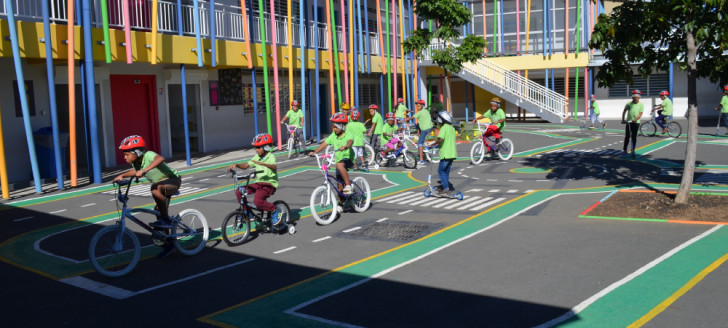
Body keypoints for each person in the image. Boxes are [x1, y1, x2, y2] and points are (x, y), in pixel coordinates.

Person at [114, 135, 182, 229]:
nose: (125, 157)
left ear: (137, 152)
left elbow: (160, 159)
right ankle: (166, 237)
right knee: (158, 210)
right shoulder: (136, 163)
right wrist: (122, 175)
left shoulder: (148, 155)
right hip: (160, 184)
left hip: (173, 180)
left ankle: (166, 220)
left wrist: (144, 170)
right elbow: (136, 171)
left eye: (127, 154)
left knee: (155, 188)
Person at [226, 133, 281, 225]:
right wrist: (237, 164)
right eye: (256, 148)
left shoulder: (270, 156)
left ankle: (275, 210)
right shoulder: (257, 157)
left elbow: (274, 167)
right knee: (239, 191)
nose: (256, 150)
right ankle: (248, 212)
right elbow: (246, 166)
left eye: (258, 147)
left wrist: (262, 164)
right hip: (259, 183)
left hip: (269, 184)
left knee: (257, 201)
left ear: (266, 147)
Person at [309, 113, 355, 196]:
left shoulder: (348, 134)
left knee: (339, 165)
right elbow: (324, 144)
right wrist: (315, 152)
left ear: (342, 127)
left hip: (348, 159)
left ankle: (348, 185)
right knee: (339, 186)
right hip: (339, 161)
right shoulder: (333, 135)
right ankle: (341, 204)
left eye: (336, 127)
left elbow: (350, 141)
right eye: (333, 127)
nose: (334, 129)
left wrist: (346, 146)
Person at [426, 111, 457, 197]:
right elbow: (446, 141)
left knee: (441, 171)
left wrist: (431, 145)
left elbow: (440, 139)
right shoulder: (451, 128)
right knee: (446, 172)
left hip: (445, 154)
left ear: (442, 120)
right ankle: (445, 187)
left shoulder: (444, 128)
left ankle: (446, 189)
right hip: (452, 154)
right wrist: (437, 146)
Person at [400, 99, 433, 165]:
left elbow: (411, 117)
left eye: (418, 106)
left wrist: (402, 121)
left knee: (419, 144)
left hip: (425, 129)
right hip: (430, 127)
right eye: (416, 106)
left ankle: (421, 160)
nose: (417, 108)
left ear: (422, 106)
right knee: (417, 125)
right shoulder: (425, 111)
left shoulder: (419, 113)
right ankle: (419, 137)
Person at [621, 89, 644, 158]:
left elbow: (640, 114)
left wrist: (635, 119)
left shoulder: (641, 105)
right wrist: (623, 119)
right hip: (628, 122)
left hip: (636, 122)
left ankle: (633, 150)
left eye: (637, 96)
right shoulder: (629, 104)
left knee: (634, 136)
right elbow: (624, 111)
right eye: (634, 96)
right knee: (627, 136)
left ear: (639, 97)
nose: (636, 98)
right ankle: (625, 150)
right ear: (632, 97)